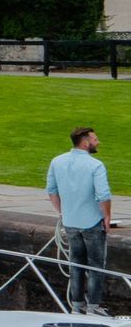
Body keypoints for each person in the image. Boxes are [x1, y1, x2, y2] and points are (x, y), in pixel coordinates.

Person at [47, 127, 112, 315]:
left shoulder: (56, 161)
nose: (98, 142)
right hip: (92, 222)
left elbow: (52, 190)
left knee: (75, 264)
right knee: (95, 265)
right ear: (85, 142)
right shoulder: (95, 165)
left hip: (70, 221)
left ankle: (77, 305)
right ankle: (94, 307)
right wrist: (107, 217)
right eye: (95, 139)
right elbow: (103, 195)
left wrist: (62, 212)